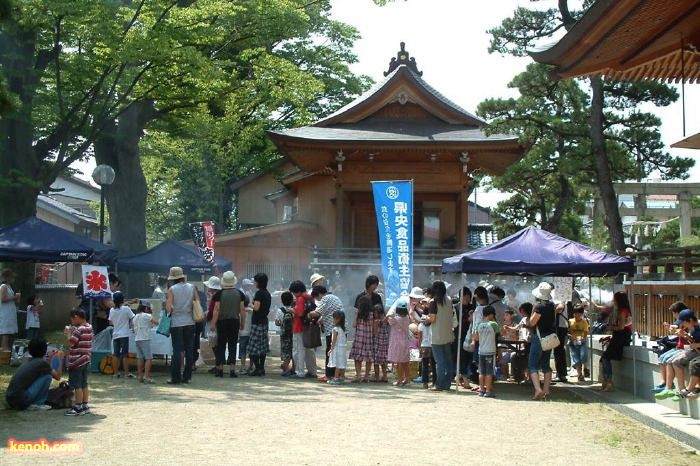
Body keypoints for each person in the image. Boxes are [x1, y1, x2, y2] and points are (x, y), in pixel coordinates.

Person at [5, 339, 64, 410]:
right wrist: (60, 359)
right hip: (22, 400)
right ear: (44, 350)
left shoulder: (28, 362)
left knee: (46, 375)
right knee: (47, 377)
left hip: (11, 400)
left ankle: (34, 403)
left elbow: (48, 368)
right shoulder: (42, 363)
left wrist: (51, 358)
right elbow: (57, 377)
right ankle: (38, 403)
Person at [655, 309, 700, 401]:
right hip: (695, 351)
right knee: (693, 363)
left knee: (695, 364)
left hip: (696, 352)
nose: (683, 325)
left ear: (691, 320)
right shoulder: (694, 329)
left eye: (684, 322)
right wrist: (686, 336)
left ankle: (689, 389)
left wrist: (697, 345)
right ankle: (686, 389)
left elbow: (697, 343)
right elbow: (693, 340)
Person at [165, 266, 199, 384]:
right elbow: (197, 302)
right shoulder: (192, 287)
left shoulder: (172, 289)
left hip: (177, 322)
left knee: (177, 350)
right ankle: (187, 376)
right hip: (190, 321)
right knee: (189, 350)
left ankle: (175, 377)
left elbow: (169, 307)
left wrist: (171, 309)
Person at [210, 271, 245, 378]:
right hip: (234, 321)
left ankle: (220, 368)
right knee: (233, 345)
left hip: (222, 322)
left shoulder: (219, 294)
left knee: (221, 345)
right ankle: (232, 369)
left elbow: (216, 309)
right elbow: (242, 309)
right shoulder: (239, 293)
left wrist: (213, 323)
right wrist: (243, 321)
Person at [598, 291, 633, 392]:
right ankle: (606, 381)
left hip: (622, 337)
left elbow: (621, 327)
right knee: (604, 359)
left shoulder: (623, 311)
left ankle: (609, 382)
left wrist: (610, 328)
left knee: (605, 358)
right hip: (618, 337)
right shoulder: (620, 311)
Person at [423, 280, 455, 392]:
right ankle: (447, 383)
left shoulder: (434, 301)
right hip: (447, 334)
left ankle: (439, 384)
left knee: (439, 362)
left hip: (436, 335)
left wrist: (425, 318)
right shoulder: (449, 300)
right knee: (448, 360)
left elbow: (432, 319)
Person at [309, 285, 344, 382]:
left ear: (320, 294)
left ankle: (329, 375)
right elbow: (328, 312)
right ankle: (339, 375)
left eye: (317, 297)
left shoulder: (325, 298)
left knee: (330, 352)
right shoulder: (334, 297)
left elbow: (316, 313)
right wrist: (321, 320)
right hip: (342, 329)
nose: (318, 300)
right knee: (339, 352)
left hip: (333, 330)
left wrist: (307, 313)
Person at [528, 282, 556, 400]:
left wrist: (533, 311)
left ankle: (538, 389)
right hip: (549, 338)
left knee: (532, 365)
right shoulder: (552, 306)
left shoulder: (540, 307)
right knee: (546, 364)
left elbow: (532, 322)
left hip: (539, 337)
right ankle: (546, 389)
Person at [64, 309, 93, 416]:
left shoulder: (78, 330)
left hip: (77, 361)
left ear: (76, 317)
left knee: (77, 385)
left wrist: (68, 333)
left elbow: (71, 343)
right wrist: (73, 330)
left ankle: (78, 406)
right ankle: (85, 405)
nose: (71, 322)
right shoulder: (89, 327)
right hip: (85, 359)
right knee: (84, 384)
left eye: (72, 319)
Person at [652, 301, 686, 393]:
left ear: (677, 313)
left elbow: (685, 335)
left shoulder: (686, 322)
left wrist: (677, 331)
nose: (674, 316)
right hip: (679, 346)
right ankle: (665, 382)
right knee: (662, 357)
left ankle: (670, 385)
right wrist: (671, 329)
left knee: (669, 360)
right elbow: (679, 333)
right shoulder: (681, 322)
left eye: (674, 313)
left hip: (684, 348)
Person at [289, 280, 319, 379]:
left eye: (294, 292)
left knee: (298, 350)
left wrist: (291, 310)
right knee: (309, 350)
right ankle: (312, 371)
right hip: (308, 326)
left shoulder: (300, 299)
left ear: (297, 291)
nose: (294, 294)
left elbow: (300, 313)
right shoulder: (310, 297)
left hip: (299, 326)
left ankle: (299, 372)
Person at [471, 305, 501, 398]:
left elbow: (476, 337)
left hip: (481, 351)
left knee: (481, 371)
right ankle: (488, 390)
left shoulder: (479, 324)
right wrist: (498, 323)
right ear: (492, 315)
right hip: (490, 351)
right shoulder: (493, 324)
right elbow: (502, 332)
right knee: (489, 372)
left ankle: (482, 390)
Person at [248, 273, 271, 376]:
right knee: (262, 346)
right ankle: (262, 367)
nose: (254, 283)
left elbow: (256, 308)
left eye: (255, 281)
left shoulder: (258, 293)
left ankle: (257, 368)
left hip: (257, 322)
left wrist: (249, 304)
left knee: (253, 346)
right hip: (264, 321)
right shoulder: (267, 293)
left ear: (258, 282)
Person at [109, 291, 135, 378]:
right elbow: (133, 318)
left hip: (115, 334)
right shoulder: (126, 309)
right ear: (122, 300)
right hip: (124, 334)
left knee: (115, 354)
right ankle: (127, 373)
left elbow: (110, 322)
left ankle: (116, 373)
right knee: (125, 354)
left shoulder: (111, 310)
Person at [349, 295, 375, 382]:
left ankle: (358, 375)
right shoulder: (372, 314)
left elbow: (354, 325)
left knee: (357, 357)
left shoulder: (358, 313)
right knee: (368, 357)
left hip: (359, 337)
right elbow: (373, 326)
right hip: (368, 337)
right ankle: (366, 376)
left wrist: (357, 315)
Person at [387, 299, 411, 386]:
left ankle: (400, 379)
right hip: (405, 341)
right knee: (405, 361)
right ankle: (407, 379)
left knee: (399, 362)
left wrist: (389, 315)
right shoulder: (407, 318)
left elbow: (387, 321)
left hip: (397, 342)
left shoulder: (396, 319)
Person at [133, 300, 158, 384]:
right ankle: (146, 376)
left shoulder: (135, 317)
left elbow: (133, 329)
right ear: (146, 308)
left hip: (137, 338)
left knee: (140, 357)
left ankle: (140, 375)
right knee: (148, 358)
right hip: (145, 338)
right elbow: (156, 322)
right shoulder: (146, 315)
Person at [0, 268, 20, 351]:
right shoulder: (3, 286)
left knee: (9, 330)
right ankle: (4, 348)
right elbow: (3, 299)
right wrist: (13, 297)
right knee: (5, 330)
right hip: (5, 312)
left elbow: (11, 300)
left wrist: (16, 300)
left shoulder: (9, 287)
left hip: (10, 311)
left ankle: (7, 347)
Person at [568, 305, 589, 382]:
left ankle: (585, 368)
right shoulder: (570, 321)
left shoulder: (584, 322)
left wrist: (583, 338)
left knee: (583, 355)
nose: (577, 315)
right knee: (575, 358)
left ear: (582, 314)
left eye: (579, 313)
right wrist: (570, 336)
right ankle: (580, 374)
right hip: (573, 341)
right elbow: (568, 331)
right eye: (575, 313)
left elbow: (586, 331)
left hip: (582, 341)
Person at [276, 291, 295, 376]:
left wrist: (282, 324)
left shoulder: (280, 310)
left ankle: (285, 368)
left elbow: (277, 322)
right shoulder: (293, 309)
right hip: (293, 333)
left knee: (285, 350)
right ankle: (294, 368)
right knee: (294, 350)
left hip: (284, 334)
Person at [327, 310, 348, 384]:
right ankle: (342, 376)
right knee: (342, 362)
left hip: (337, 348)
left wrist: (331, 349)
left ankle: (336, 377)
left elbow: (334, 341)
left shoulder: (335, 329)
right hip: (343, 347)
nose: (333, 320)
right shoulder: (343, 328)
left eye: (334, 318)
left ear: (338, 319)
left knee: (338, 363)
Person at [552, 303, 570, 383]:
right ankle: (561, 373)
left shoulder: (559, 296)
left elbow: (560, 307)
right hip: (561, 326)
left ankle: (561, 374)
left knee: (558, 350)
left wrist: (550, 313)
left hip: (560, 326)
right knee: (559, 350)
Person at [417, 312, 435, 389]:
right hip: (432, 346)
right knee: (433, 365)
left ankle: (425, 382)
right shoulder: (433, 325)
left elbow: (420, 337)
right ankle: (434, 382)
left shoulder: (421, 326)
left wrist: (419, 346)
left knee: (425, 365)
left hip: (424, 346)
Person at [372, 304, 389, 383]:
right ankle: (385, 376)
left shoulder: (376, 321)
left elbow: (374, 332)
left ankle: (377, 377)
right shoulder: (386, 320)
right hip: (385, 342)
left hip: (377, 342)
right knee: (383, 360)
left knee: (376, 361)